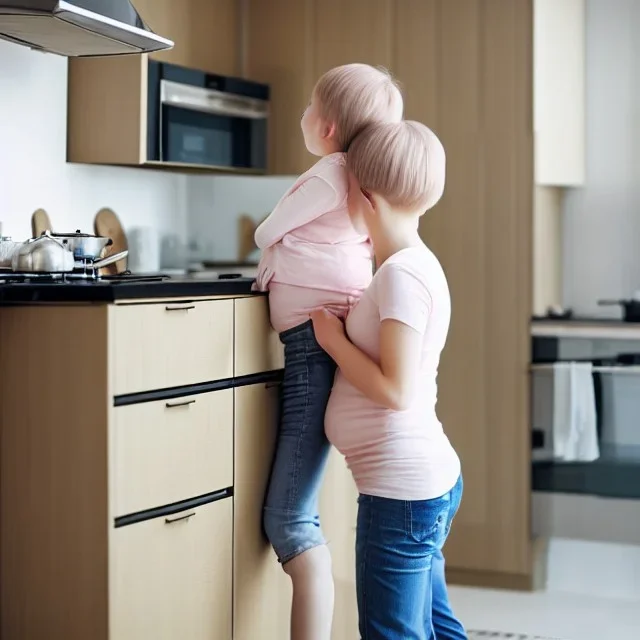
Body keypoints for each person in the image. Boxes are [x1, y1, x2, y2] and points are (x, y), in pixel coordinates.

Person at [253, 64, 403, 640]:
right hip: (327, 331)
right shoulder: (363, 180)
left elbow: (266, 232)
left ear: (330, 126)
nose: (302, 115)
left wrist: (276, 241)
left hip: (310, 343)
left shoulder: (326, 175)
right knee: (299, 500)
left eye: (310, 106)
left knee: (289, 519)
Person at [311, 120, 467, 639]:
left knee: (393, 633)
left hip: (401, 495)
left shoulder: (401, 274)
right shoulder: (411, 267)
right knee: (437, 627)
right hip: (420, 486)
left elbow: (396, 390)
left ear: (366, 196)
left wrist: (332, 339)